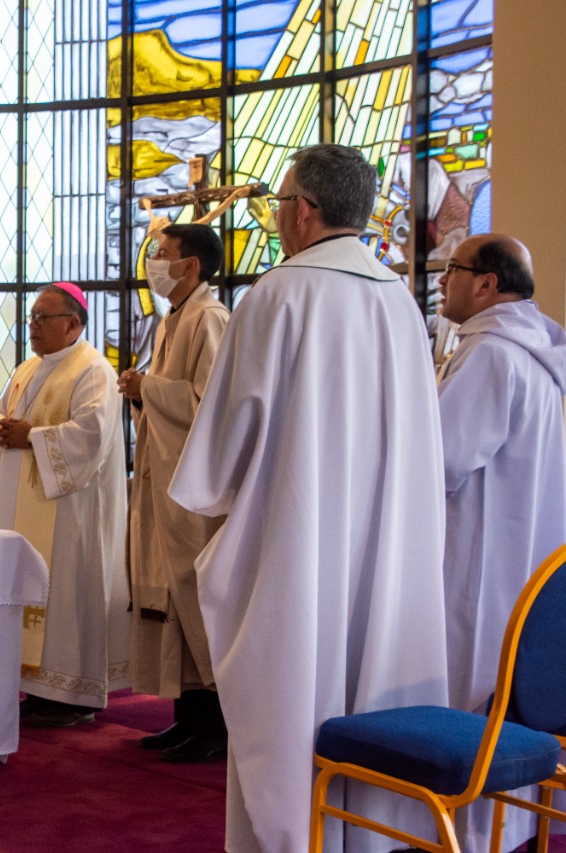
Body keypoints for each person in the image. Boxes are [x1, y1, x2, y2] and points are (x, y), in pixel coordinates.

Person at [168, 144, 450, 852]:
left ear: (303, 209)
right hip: (387, 545)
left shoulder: (278, 294)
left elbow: (227, 443)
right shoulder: (398, 300)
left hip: (298, 538)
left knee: (296, 693)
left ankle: (293, 834)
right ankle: (375, 835)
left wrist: (215, 487)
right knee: (371, 679)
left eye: (279, 201)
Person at [435, 234, 566, 853]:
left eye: (451, 269)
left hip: (478, 563)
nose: (441, 279)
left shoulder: (490, 355)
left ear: (487, 284)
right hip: (528, 556)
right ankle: (511, 826)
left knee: (471, 695)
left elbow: (444, 460)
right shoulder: (539, 351)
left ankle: (466, 829)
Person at [0, 282, 129, 728]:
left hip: (70, 511)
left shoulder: (93, 371)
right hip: (20, 504)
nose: (33, 326)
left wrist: (32, 437)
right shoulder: (28, 368)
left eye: (42, 319)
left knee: (66, 591)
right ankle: (37, 684)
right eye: (31, 318)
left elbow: (91, 436)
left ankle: (72, 692)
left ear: (72, 324)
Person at [119, 223, 229, 761]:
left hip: (194, 488)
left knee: (192, 594)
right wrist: (142, 394)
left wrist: (149, 388)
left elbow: (213, 404)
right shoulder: (173, 321)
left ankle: (215, 724)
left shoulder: (210, 319)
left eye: (163, 254)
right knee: (167, 594)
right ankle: (186, 716)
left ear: (191, 266)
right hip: (165, 477)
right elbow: (169, 400)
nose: (154, 262)